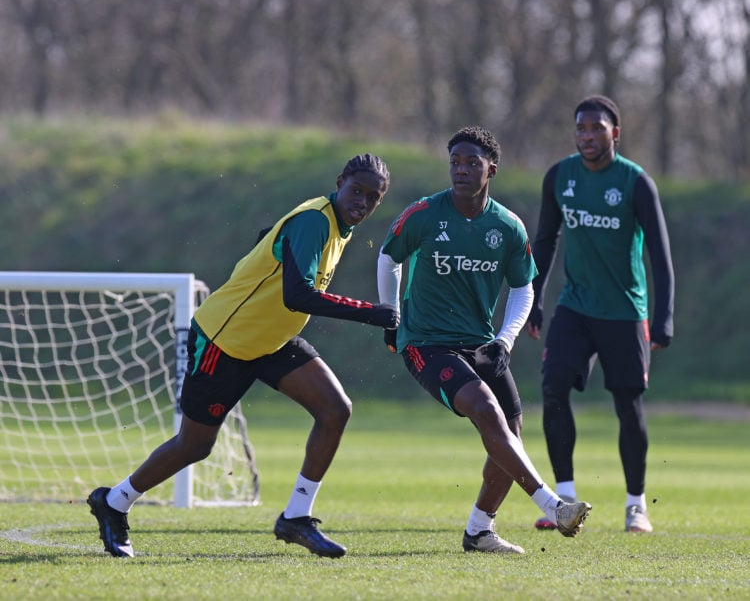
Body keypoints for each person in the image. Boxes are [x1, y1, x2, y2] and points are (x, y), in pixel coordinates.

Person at [88, 153, 399, 559]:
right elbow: (298, 295)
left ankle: (296, 518)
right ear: (340, 181)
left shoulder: (337, 226)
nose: (362, 201)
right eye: (356, 190)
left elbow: (267, 238)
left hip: (272, 340)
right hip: (225, 341)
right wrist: (374, 313)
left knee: (335, 409)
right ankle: (114, 501)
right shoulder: (314, 220)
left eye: (372, 197)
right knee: (195, 445)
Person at [377, 126, 591, 555]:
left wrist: (506, 339)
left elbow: (523, 287)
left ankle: (478, 531)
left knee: (510, 431)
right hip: (425, 342)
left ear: (491, 168)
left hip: (482, 344)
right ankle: (554, 506)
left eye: (472, 162)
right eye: (455, 161)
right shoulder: (423, 213)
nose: (461, 169)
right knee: (484, 408)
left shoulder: (507, 226)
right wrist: (391, 317)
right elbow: (388, 257)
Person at [525, 95, 675, 534]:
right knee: (552, 390)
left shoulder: (635, 182)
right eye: (581, 129)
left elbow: (660, 256)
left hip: (625, 311)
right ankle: (563, 500)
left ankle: (635, 505)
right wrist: (535, 299)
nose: (587, 136)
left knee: (627, 405)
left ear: (615, 133)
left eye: (596, 128)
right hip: (575, 306)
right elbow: (545, 241)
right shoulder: (559, 176)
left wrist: (663, 316)